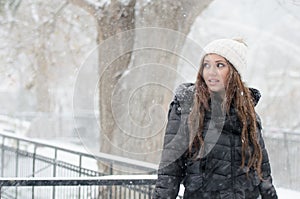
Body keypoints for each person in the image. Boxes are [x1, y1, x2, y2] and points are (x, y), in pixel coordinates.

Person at [152, 38, 278, 199]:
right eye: (206, 65)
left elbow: (262, 169)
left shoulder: (247, 111)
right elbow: (170, 170)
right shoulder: (186, 106)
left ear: (234, 71)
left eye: (220, 65)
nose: (211, 72)